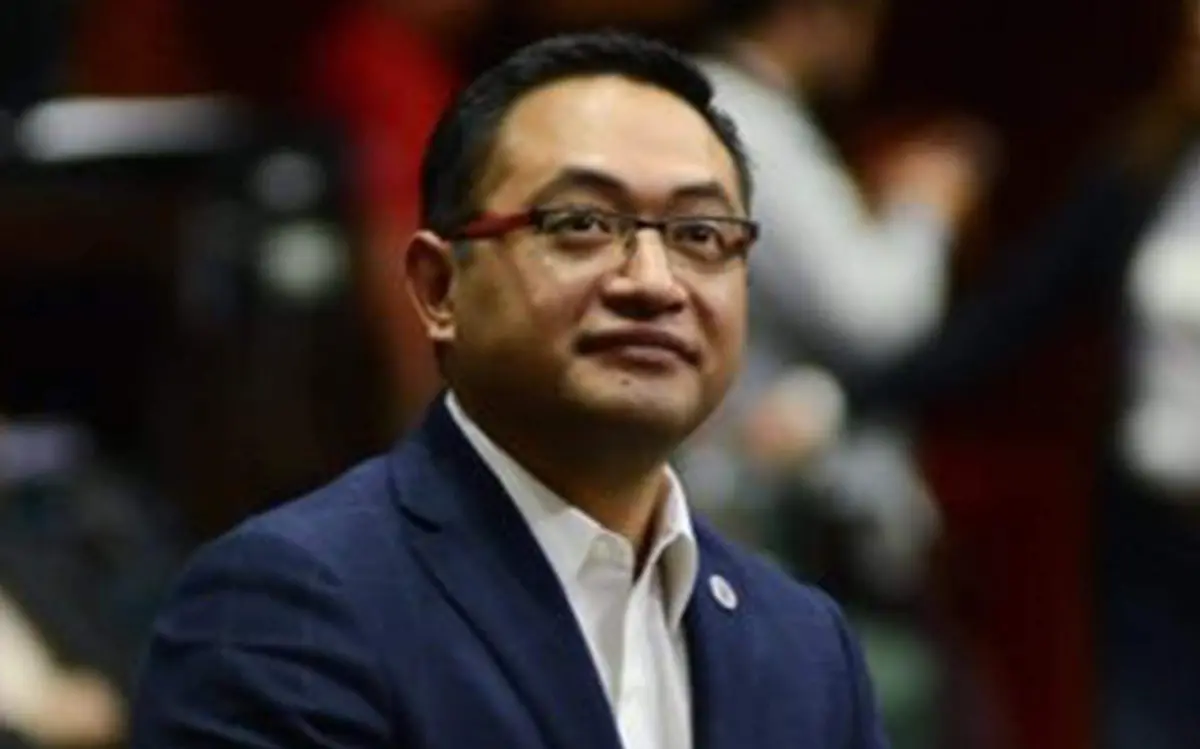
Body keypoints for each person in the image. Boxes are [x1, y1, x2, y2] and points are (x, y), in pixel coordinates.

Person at [129, 32, 890, 749]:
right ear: (439, 287)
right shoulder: (287, 605)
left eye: (699, 234)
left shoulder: (805, 644)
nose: (654, 282)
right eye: (582, 222)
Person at [679, 0, 989, 595]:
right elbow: (875, 318)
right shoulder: (745, 120)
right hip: (774, 509)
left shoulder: (734, 110)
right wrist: (924, 207)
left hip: (759, 499)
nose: (872, 39)